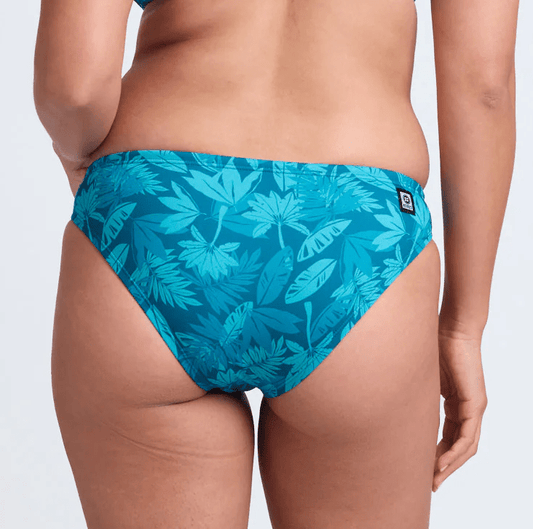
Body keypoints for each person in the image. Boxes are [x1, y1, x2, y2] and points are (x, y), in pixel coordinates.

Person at [33, 0, 518, 527]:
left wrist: (85, 165)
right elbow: (484, 86)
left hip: (158, 207)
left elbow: (74, 87)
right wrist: (461, 327)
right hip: (355, 229)